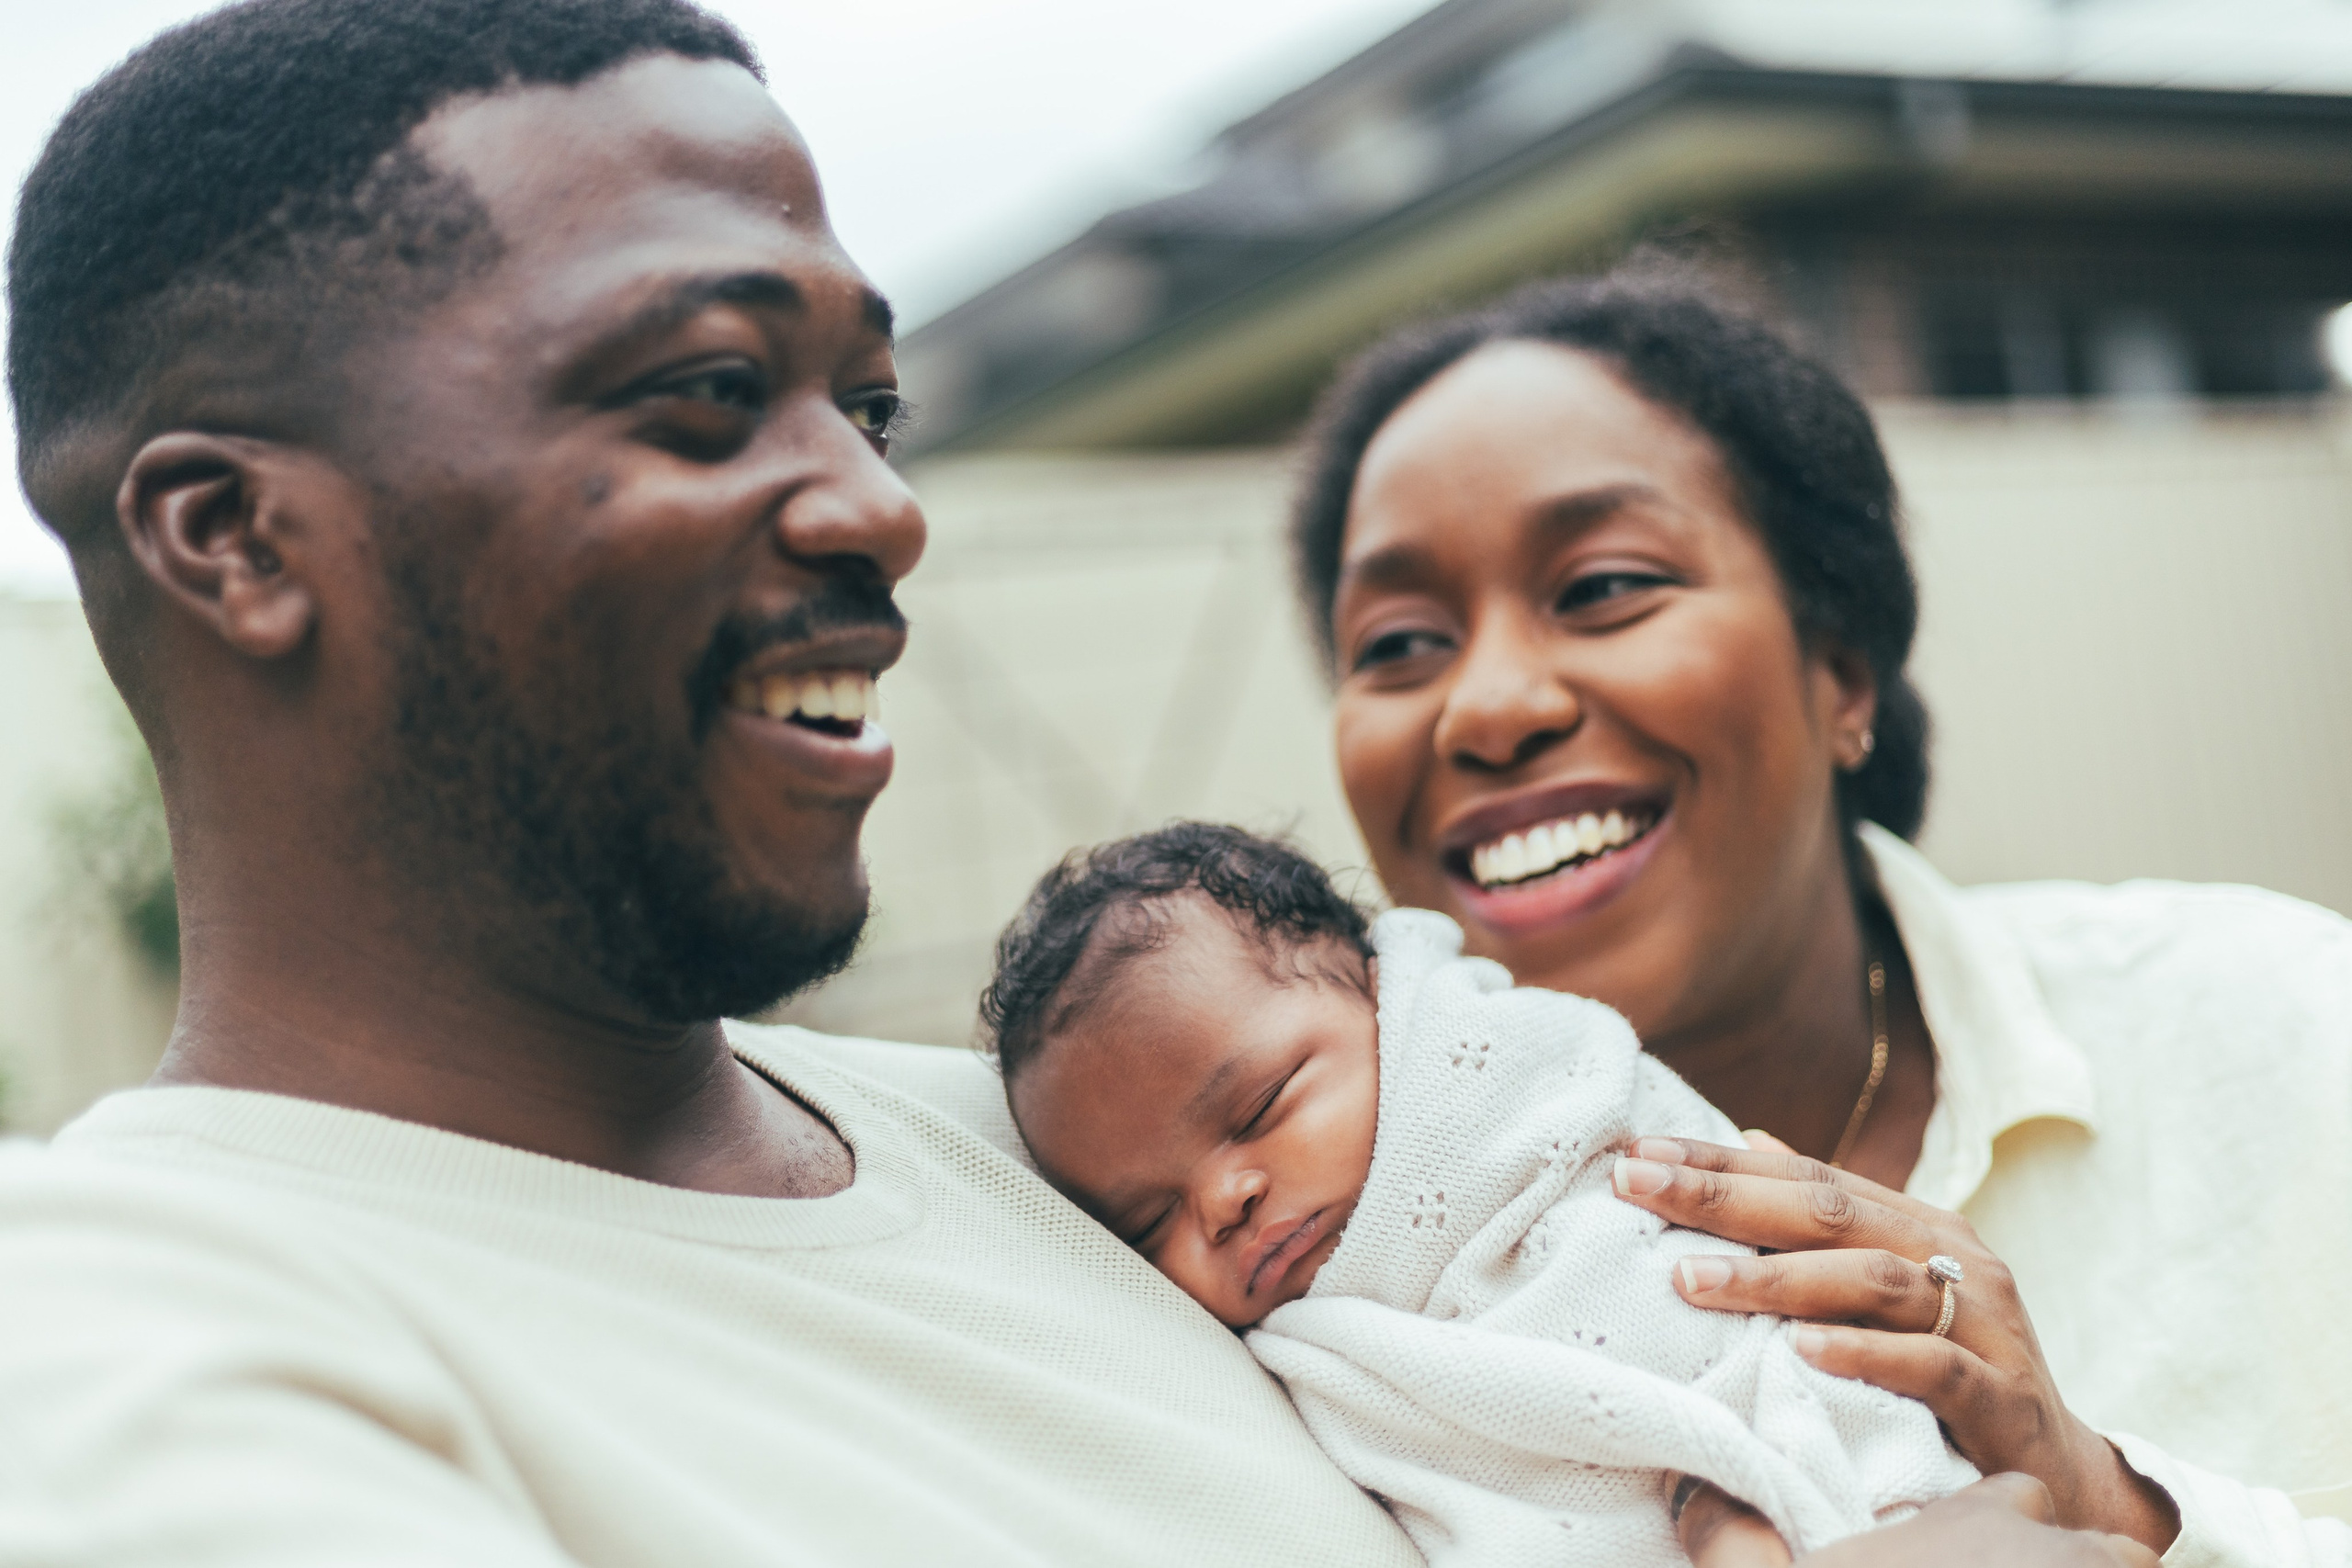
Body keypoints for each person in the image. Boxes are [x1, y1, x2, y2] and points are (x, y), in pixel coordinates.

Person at [0, 0, 2165, 1562]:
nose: (874, 505)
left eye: (871, 403)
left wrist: (2086, 1490)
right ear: (237, 538)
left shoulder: (1097, 1138)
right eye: (705, 390)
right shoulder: (142, 1344)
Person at [1283, 272, 2352, 1566]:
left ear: (1842, 668)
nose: (1487, 706)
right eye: (1398, 644)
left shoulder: (2284, 1024)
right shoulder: (1287, 1281)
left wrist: (2112, 1504)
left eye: (1605, 583)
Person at [984, 822, 1978, 1565]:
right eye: (1148, 1220)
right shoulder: (1288, 1367)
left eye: (1258, 1109)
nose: (1225, 1199)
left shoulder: (1533, 1088)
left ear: (1385, 1003)